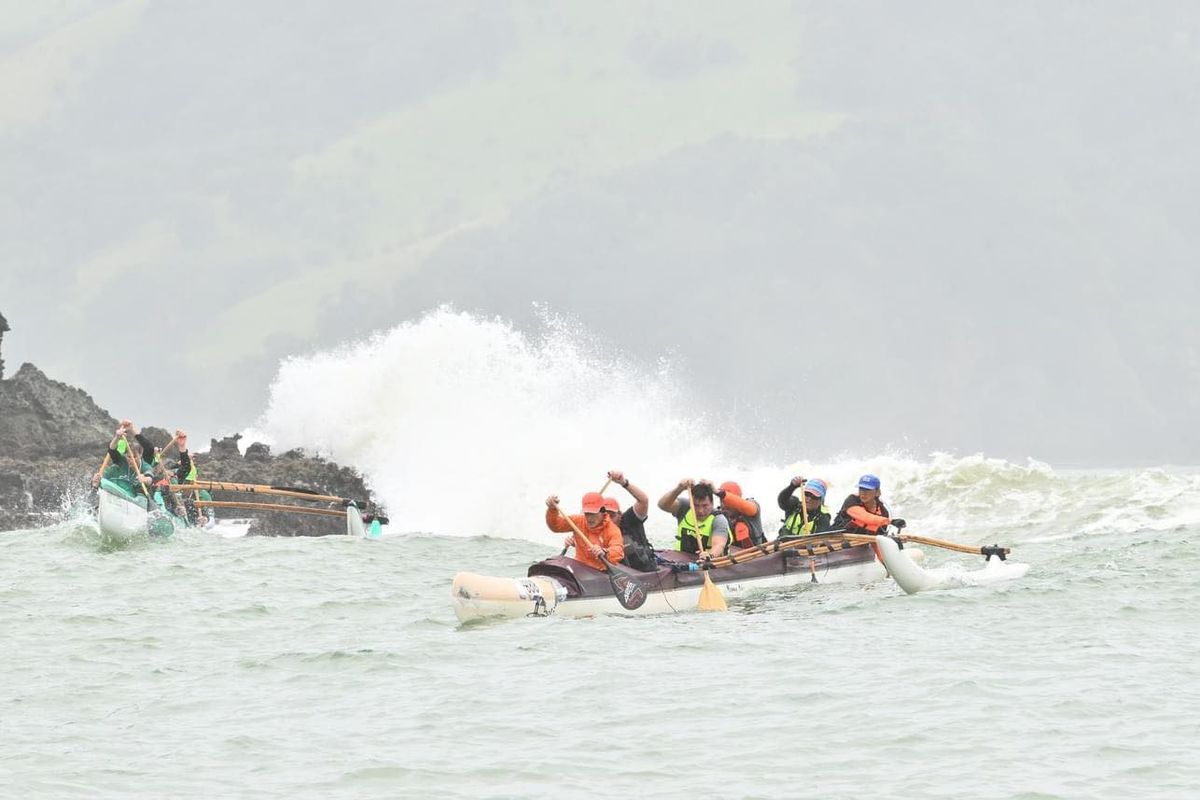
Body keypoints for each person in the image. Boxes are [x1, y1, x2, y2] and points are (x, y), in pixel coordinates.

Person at [545, 491, 625, 572]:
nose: (589, 518)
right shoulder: (578, 521)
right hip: (579, 568)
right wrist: (552, 509)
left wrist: (604, 552)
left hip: (601, 573)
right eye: (587, 513)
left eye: (593, 514)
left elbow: (618, 551)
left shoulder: (613, 529)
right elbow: (555, 526)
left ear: (603, 511)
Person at [657, 479, 732, 559]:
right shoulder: (685, 508)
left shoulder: (719, 520)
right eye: (696, 505)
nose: (700, 511)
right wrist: (679, 488)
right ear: (691, 502)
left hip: (710, 564)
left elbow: (719, 545)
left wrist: (709, 555)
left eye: (705, 506)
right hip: (682, 561)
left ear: (712, 503)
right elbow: (662, 505)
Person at [601, 470, 656, 571]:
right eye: (604, 516)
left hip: (646, 572)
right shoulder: (597, 529)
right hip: (620, 577)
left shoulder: (630, 519)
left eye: (611, 515)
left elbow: (643, 500)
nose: (608, 520)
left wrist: (623, 482)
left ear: (619, 514)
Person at [831, 473, 905, 534]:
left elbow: (878, 539)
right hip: (838, 540)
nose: (863, 493)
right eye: (861, 489)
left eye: (867, 489)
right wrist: (890, 521)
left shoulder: (883, 512)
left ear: (877, 492)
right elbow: (865, 517)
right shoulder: (852, 500)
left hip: (862, 547)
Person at [715, 480, 766, 549]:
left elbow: (750, 508)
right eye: (722, 501)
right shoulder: (718, 516)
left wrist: (723, 494)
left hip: (759, 555)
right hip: (731, 556)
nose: (724, 505)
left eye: (728, 502)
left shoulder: (752, 506)